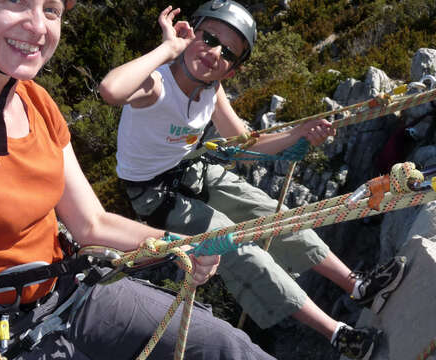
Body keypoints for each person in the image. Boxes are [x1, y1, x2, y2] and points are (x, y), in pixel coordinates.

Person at [0, 0, 278, 359]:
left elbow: (90, 224)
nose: (38, 25)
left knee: (229, 347)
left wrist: (179, 247)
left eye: (52, 9)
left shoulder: (35, 101)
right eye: (15, 0)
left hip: (67, 293)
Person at [99, 1, 406, 359]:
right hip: (155, 194)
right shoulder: (157, 85)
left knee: (276, 217)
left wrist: (298, 134)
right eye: (209, 38)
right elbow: (110, 90)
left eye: (228, 53)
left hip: (191, 168)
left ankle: (357, 286)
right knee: (237, 246)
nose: (214, 53)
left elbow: (248, 144)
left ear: (230, 72)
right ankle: (339, 334)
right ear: (191, 34)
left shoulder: (211, 91)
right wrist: (168, 48)